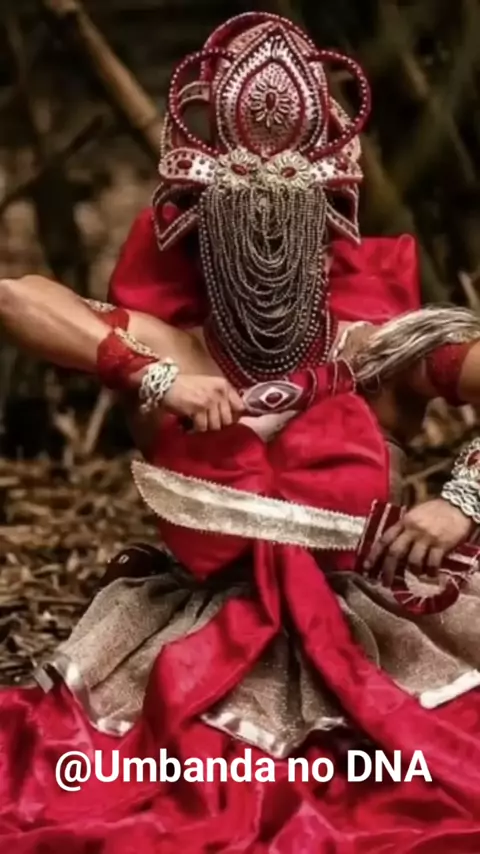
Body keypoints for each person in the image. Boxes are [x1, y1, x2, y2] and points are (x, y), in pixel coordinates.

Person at [2, 11, 480, 853]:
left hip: (380, 626)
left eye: (289, 229)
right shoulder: (167, 346)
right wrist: (152, 377)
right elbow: (13, 296)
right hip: (193, 630)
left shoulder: (373, 350)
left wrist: (462, 502)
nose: (268, 252)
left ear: (329, 228)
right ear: (196, 229)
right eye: (243, 229)